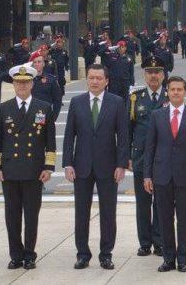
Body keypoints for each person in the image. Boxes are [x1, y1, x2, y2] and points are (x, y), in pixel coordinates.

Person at [0, 64, 57, 270]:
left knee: (31, 215)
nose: (22, 85)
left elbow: (50, 141)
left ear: (32, 84)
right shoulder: (4, 108)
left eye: (26, 82)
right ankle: (15, 255)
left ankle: (30, 254)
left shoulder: (43, 107)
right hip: (10, 171)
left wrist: (49, 167)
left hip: (34, 171)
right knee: (12, 216)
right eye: (18, 82)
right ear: (13, 83)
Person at [63, 64, 129, 269]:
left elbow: (124, 136)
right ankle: (82, 253)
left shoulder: (117, 102)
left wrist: (121, 164)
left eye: (99, 78)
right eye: (91, 78)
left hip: (108, 167)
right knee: (81, 212)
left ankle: (106, 253)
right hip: (81, 166)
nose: (94, 81)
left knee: (108, 212)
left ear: (106, 81)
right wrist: (67, 164)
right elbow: (68, 136)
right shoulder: (76, 102)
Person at [143, 75, 186, 273]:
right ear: (167, 92)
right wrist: (147, 175)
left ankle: (182, 259)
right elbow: (150, 148)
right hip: (161, 176)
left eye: (179, 90)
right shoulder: (157, 115)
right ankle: (168, 259)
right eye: (172, 90)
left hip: (184, 176)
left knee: (183, 219)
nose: (176, 93)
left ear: (185, 92)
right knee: (164, 219)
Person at [129, 57, 168, 257]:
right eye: (149, 72)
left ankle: (159, 241)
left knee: (160, 202)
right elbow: (128, 130)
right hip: (141, 159)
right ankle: (144, 242)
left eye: (157, 71)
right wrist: (127, 156)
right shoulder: (136, 98)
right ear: (144, 75)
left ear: (163, 74)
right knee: (143, 203)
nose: (153, 75)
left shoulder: (171, 98)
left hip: (163, 159)